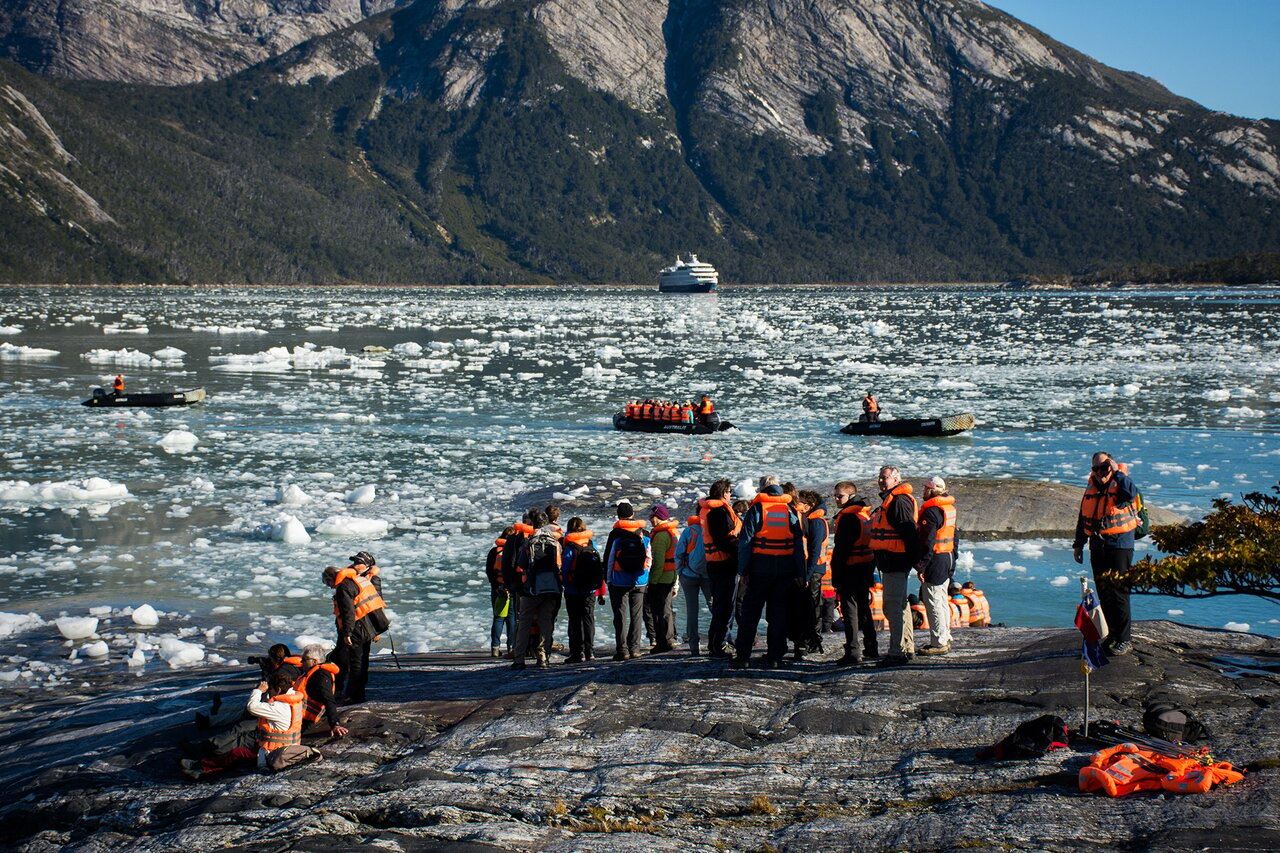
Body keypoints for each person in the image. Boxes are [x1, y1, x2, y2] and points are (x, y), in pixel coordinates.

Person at [180, 670, 319, 781]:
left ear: (277, 689)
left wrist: (259, 690)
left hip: (273, 752)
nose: (269, 693)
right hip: (283, 745)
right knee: (243, 737)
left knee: (237, 752)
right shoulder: (294, 700)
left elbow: (251, 707)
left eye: (270, 690)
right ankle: (204, 756)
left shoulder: (279, 707)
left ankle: (202, 767)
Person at [1073, 452, 1141, 656]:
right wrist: (1078, 544)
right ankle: (1113, 635)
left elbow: (1131, 493)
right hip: (1097, 545)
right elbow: (1083, 515)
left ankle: (1124, 639)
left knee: (1119, 592)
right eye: (1096, 468)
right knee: (1104, 592)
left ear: (1111, 465)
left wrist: (1117, 472)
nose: (1100, 472)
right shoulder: (1091, 487)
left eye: (1104, 467)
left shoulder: (1121, 483)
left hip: (1119, 545)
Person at [733, 481, 807, 669]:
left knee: (750, 613)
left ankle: (743, 657)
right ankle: (775, 656)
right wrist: (801, 572)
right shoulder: (789, 510)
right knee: (778, 613)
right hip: (784, 570)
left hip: (759, 568)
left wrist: (743, 570)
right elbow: (798, 544)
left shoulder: (757, 509)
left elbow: (745, 542)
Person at [869, 466, 920, 667]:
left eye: (886, 478)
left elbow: (909, 532)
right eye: (880, 478)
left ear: (896, 479)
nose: (882, 481)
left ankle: (896, 652)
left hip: (896, 561)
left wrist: (916, 561)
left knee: (892, 606)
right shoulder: (893, 500)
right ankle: (906, 647)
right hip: (892, 560)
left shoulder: (898, 502)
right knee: (900, 604)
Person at [325, 562, 390, 703]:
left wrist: (347, 633)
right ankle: (359, 694)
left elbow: (348, 612)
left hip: (357, 629)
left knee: (356, 663)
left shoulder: (343, 587)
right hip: (368, 627)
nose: (329, 586)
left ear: (332, 578)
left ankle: (353, 696)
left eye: (327, 582)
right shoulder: (357, 580)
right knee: (363, 661)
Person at [829, 480, 877, 665]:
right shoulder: (863, 514)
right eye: (835, 495)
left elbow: (842, 550)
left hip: (850, 569)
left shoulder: (849, 517)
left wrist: (836, 576)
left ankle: (853, 651)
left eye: (839, 496)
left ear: (850, 495)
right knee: (864, 608)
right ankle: (871, 647)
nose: (836, 499)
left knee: (850, 611)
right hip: (865, 567)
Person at [510, 509, 563, 670]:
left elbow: (520, 566)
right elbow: (560, 565)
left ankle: (519, 658)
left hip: (531, 589)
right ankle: (543, 657)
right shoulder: (555, 542)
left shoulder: (529, 541)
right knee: (545, 622)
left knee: (524, 622)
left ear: (533, 524)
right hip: (551, 588)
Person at [915, 475, 958, 656]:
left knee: (933, 601)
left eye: (925, 488)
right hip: (947, 557)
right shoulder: (949, 508)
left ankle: (938, 642)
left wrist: (921, 566)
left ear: (932, 490)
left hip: (935, 560)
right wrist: (954, 560)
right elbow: (955, 537)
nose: (923, 491)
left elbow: (927, 542)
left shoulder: (931, 512)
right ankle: (945, 636)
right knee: (941, 600)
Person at [603, 502, 651, 660]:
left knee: (620, 615)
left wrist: (607, 579)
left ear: (618, 516)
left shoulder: (615, 534)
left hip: (619, 581)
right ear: (633, 515)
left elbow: (609, 559)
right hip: (640, 580)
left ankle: (622, 650)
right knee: (636, 615)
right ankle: (635, 649)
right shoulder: (644, 533)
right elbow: (649, 559)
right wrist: (646, 577)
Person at [699, 479, 741, 658]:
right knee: (725, 606)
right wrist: (740, 553)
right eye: (730, 492)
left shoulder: (709, 510)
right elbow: (724, 540)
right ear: (724, 493)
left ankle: (714, 642)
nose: (731, 496)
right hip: (724, 564)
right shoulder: (719, 512)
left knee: (719, 605)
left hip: (714, 563)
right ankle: (720, 644)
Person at [561, 517, 605, 663]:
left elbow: (565, 570)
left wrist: (566, 585)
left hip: (573, 590)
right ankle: (589, 651)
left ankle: (576, 653)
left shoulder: (569, 548)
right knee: (588, 619)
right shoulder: (592, 544)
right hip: (590, 590)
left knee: (575, 621)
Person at [676, 513, 713, 656]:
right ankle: (719, 639)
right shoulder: (711, 529)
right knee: (714, 606)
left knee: (692, 610)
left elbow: (679, 553)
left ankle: (694, 646)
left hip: (689, 575)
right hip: (708, 574)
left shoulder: (689, 530)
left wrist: (680, 572)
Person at [645, 506, 680, 653]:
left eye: (653, 517)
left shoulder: (660, 536)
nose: (651, 520)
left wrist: (652, 581)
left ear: (658, 517)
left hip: (661, 579)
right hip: (671, 575)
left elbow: (658, 562)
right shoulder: (672, 533)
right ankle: (670, 639)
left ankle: (663, 642)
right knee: (666, 610)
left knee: (659, 612)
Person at [294, 644, 347, 738]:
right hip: (298, 716)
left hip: (306, 720)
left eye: (304, 659)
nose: (301, 661)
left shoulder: (321, 675)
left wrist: (335, 724)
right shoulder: (311, 672)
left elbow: (328, 699)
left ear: (314, 661)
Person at [486, 528, 515, 657]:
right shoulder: (513, 551)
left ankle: (495, 648)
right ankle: (511, 647)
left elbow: (489, 571)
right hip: (511, 588)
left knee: (498, 617)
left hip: (497, 588)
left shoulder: (494, 551)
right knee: (511, 618)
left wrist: (496, 585)